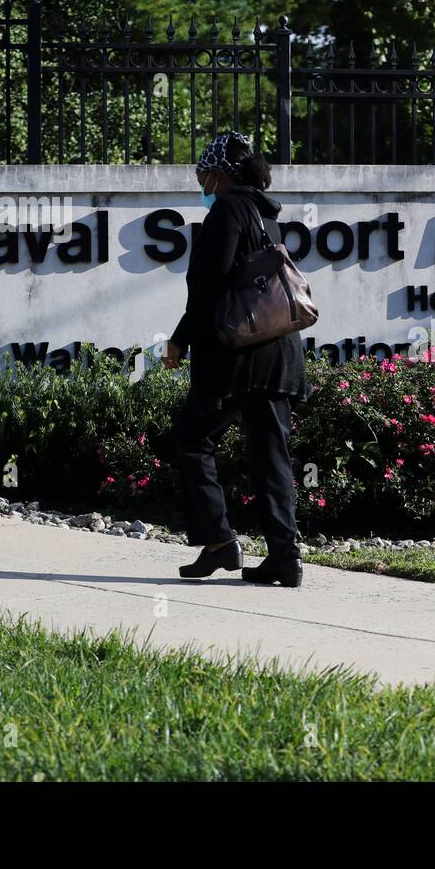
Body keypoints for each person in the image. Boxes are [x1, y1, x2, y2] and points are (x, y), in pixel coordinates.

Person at [164, 131, 310, 587]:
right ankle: (283, 557)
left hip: (236, 356)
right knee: (271, 456)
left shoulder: (228, 209)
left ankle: (219, 541)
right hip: (277, 352)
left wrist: (180, 339)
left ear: (220, 174)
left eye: (203, 174)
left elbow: (211, 283)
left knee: (191, 437)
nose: (201, 183)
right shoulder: (268, 216)